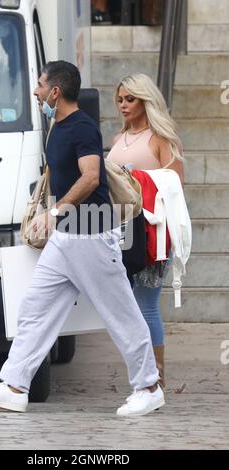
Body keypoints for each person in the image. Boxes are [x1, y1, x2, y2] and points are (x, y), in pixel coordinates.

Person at [0, 61, 165, 417]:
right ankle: (14, 386)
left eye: (41, 85)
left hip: (91, 232)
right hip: (65, 238)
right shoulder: (56, 127)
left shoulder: (83, 128)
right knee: (34, 308)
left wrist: (54, 211)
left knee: (121, 313)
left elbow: (91, 177)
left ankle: (149, 387)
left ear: (55, 91)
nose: (36, 90)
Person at [107, 73, 184, 388]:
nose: (124, 105)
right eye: (121, 100)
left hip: (154, 230)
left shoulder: (161, 137)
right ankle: (145, 372)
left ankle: (156, 377)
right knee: (129, 304)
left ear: (145, 100)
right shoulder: (117, 139)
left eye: (130, 99)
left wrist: (135, 176)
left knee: (146, 302)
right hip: (121, 229)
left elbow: (176, 183)